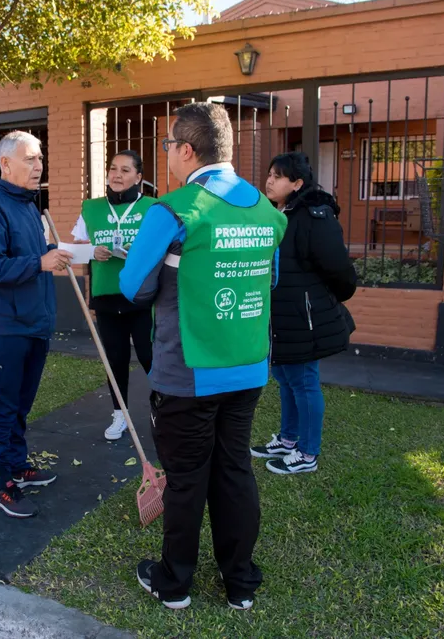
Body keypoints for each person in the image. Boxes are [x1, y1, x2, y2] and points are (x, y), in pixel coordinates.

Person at [119, 102, 287, 611]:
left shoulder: (170, 210)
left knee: (188, 478)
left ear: (187, 150)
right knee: (235, 470)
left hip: (187, 374)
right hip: (249, 366)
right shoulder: (266, 209)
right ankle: (240, 584)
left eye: (169, 146)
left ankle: (174, 584)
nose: (167, 154)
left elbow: (132, 287)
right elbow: (270, 279)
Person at [0, 130, 74, 519]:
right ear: (6, 163)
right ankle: (1, 481)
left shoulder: (30, 207)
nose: (39, 166)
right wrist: (39, 263)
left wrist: (58, 253)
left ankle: (17, 465)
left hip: (36, 320)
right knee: (4, 401)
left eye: (40, 158)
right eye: (30, 159)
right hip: (6, 322)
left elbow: (38, 254)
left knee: (22, 401)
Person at [250, 151, 357, 475]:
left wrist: (318, 301)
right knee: (284, 376)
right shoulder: (277, 213)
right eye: (269, 173)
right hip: (279, 316)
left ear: (296, 183)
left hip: (303, 317)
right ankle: (287, 438)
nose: (270, 180)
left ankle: (307, 453)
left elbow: (339, 270)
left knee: (304, 380)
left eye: (278, 176)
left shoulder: (314, 216)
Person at [71, 149, 155, 440]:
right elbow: (72, 251)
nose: (117, 175)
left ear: (138, 177)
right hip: (106, 296)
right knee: (115, 359)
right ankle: (120, 415)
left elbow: (168, 249)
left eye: (125, 170)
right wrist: (91, 251)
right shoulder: (91, 208)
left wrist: (141, 254)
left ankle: (161, 409)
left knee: (149, 355)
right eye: (113, 169)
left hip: (143, 297)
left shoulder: (154, 208)